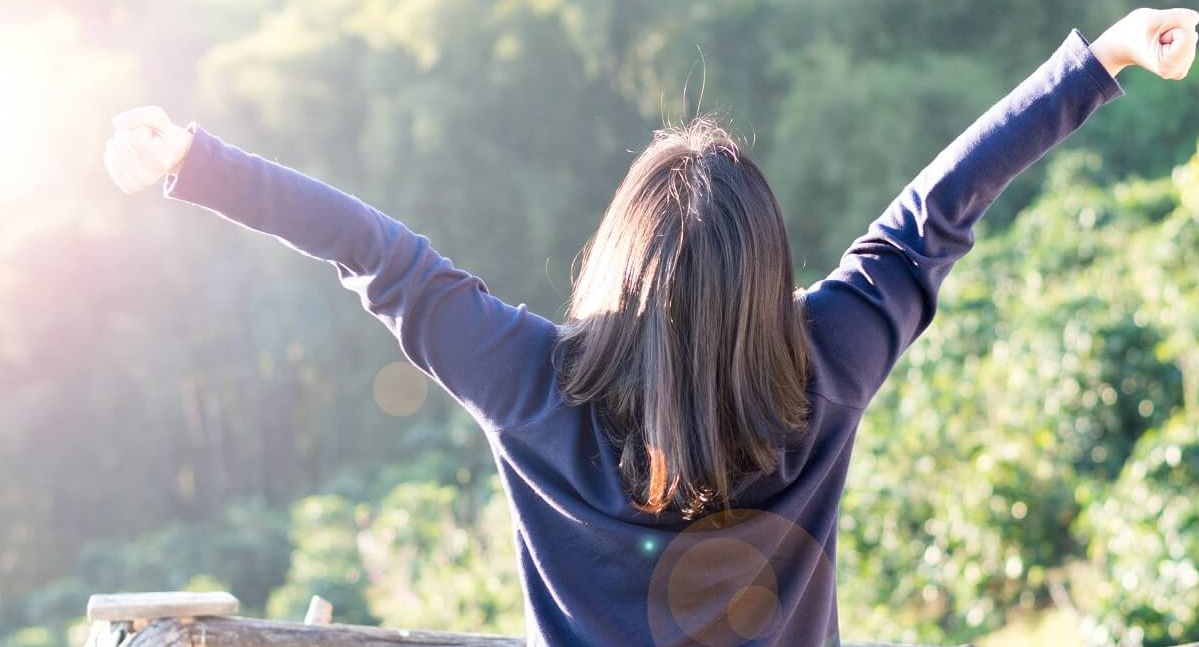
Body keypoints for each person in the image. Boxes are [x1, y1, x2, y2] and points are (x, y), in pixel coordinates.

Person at [104, 8, 1197, 646]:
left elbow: (375, 251)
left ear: (615, 259)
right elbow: (931, 217)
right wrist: (1095, 63)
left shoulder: (530, 380)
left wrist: (196, 165)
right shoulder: (826, 364)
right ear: (767, 270)